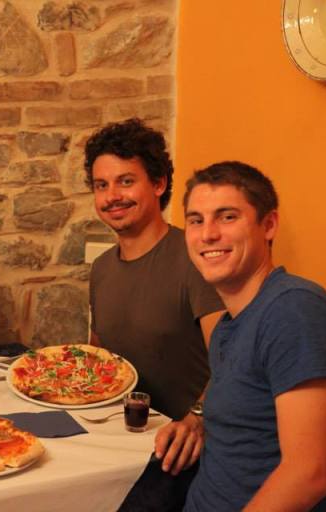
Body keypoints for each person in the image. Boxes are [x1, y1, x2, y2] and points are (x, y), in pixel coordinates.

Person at [182, 161, 326, 511]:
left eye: (227, 217)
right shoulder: (230, 324)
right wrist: (195, 422)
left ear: (268, 225)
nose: (207, 234)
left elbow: (308, 475)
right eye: (196, 220)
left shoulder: (294, 312)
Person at [85, 118, 225, 510]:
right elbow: (100, 359)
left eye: (126, 181)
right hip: (122, 444)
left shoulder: (196, 259)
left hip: (183, 453)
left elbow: (231, 360)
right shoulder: (102, 269)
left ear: (159, 184)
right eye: (101, 185)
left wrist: (198, 419)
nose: (112, 196)